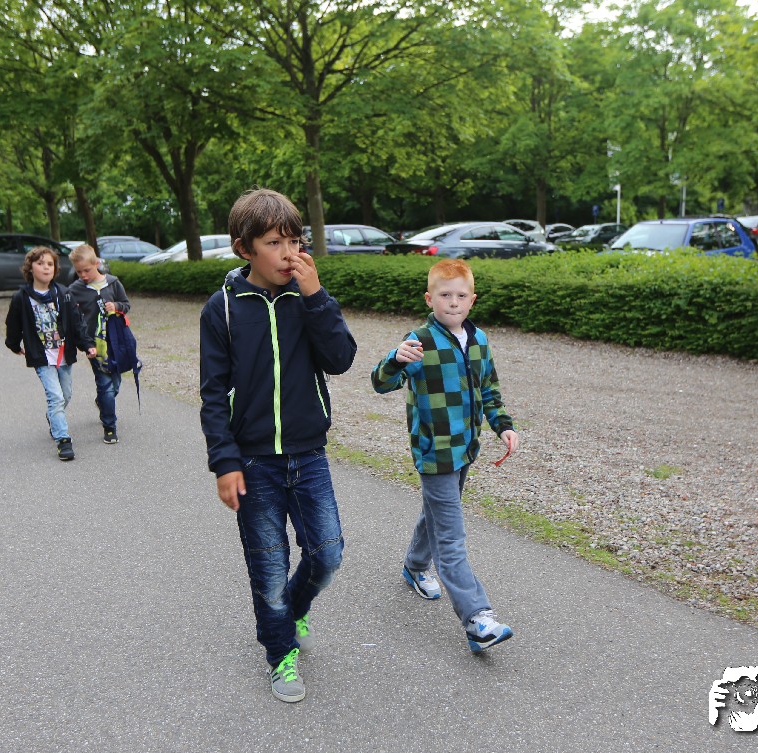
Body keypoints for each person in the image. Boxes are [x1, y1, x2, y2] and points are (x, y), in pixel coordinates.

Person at [198, 188, 357, 703]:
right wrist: (224, 462)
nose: (290, 254)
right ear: (245, 249)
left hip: (309, 454)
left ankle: (294, 608)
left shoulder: (307, 300)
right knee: (268, 568)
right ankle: (280, 652)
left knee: (328, 554)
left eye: (295, 241)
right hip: (253, 461)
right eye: (274, 243)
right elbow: (213, 395)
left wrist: (317, 298)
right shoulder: (222, 309)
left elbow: (341, 359)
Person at [370, 258, 519, 653]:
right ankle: (477, 619)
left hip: (465, 448)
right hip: (434, 452)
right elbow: (381, 384)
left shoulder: (479, 339)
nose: (453, 302)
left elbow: (489, 390)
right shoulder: (419, 341)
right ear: (429, 298)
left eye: (461, 296)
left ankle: (414, 566)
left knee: (436, 511)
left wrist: (503, 426)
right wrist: (395, 359)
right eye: (445, 295)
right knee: (451, 537)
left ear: (472, 300)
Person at [4, 246, 96, 462]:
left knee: (66, 395)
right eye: (40, 263)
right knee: (55, 397)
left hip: (64, 353)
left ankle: (53, 417)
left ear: (55, 269)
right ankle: (63, 440)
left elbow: (77, 323)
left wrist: (87, 344)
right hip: (41, 356)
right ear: (30, 268)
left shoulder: (64, 294)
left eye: (50, 264)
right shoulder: (21, 298)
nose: (46, 267)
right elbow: (13, 325)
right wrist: (13, 344)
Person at [67, 244, 131, 444]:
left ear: (96, 264)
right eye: (79, 272)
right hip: (94, 345)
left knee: (115, 384)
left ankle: (102, 401)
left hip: (115, 341)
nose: (83, 275)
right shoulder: (75, 290)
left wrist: (117, 306)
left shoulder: (113, 283)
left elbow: (126, 305)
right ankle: (109, 427)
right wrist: (82, 343)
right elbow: (72, 317)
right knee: (105, 385)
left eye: (86, 270)